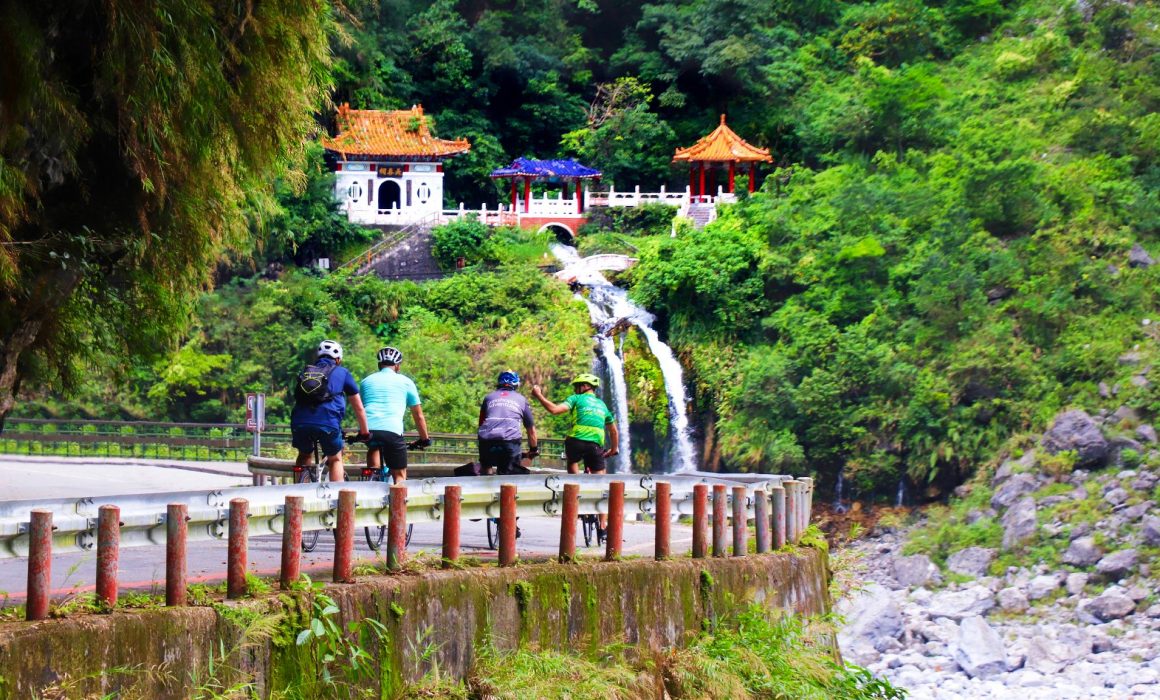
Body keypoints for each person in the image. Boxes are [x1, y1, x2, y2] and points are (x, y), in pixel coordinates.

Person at [531, 373, 619, 532]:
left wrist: (539, 395)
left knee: (572, 462)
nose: (575, 389)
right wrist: (613, 449)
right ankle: (603, 526)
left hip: (575, 443)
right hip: (595, 446)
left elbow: (555, 410)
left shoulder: (576, 399)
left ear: (585, 386)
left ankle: (575, 491)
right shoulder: (603, 405)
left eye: (577, 386)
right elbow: (613, 432)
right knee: (601, 486)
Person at [290, 339, 369, 482]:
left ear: (318, 357)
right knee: (335, 459)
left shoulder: (306, 371)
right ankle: (338, 495)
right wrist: (364, 432)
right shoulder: (343, 372)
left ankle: (298, 492)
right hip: (328, 422)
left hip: (299, 422)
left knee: (304, 454)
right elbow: (358, 408)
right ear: (338, 359)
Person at [359, 346, 430, 483]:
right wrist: (424, 439)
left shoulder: (365, 381)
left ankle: (372, 475)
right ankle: (398, 494)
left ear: (379, 364)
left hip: (367, 430)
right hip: (392, 431)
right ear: (397, 366)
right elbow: (418, 415)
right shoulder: (406, 382)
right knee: (399, 475)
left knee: (374, 446)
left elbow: (362, 407)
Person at [478, 371, 538, 475]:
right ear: (516, 385)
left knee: (486, 467)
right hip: (509, 443)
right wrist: (533, 449)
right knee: (508, 475)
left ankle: (486, 476)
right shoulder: (521, 400)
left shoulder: (488, 398)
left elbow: (481, 423)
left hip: (486, 442)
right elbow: (531, 429)